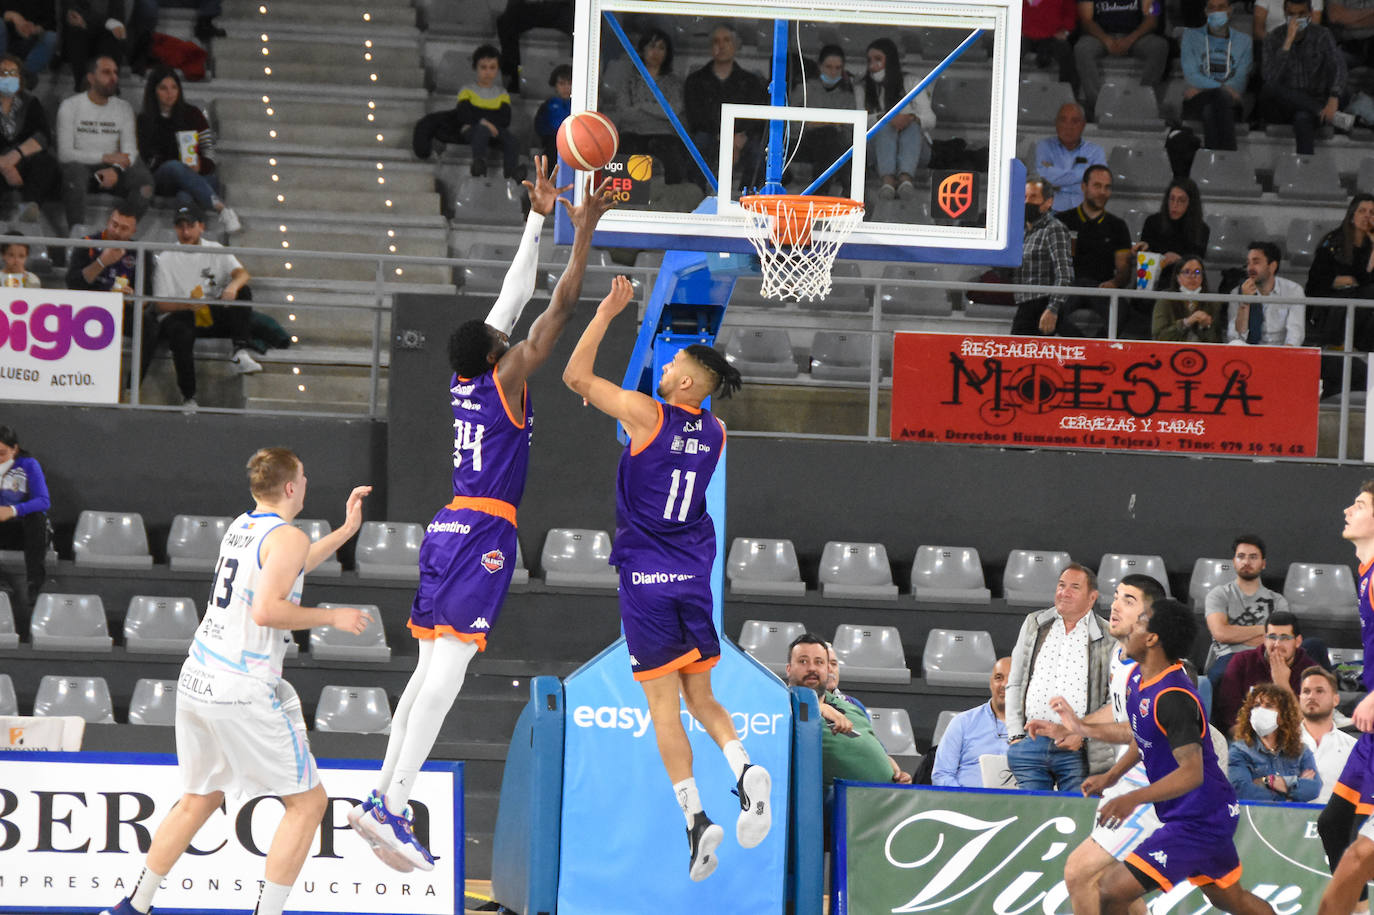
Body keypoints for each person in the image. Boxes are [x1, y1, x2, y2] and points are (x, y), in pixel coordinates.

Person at [349, 160, 614, 872]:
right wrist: (581, 229)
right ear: (500, 352)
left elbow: (511, 294)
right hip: (485, 529)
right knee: (448, 673)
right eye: (506, 338)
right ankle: (392, 805)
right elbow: (553, 305)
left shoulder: (466, 376)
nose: (511, 334)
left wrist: (538, 217)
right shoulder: (503, 375)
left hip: (446, 527)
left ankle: (380, 797)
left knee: (423, 672)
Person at [98, 447, 374, 915]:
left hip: (198, 677)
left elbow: (292, 566)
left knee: (197, 800)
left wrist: (345, 532)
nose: (307, 482)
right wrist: (333, 617)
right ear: (291, 487)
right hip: (239, 686)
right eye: (303, 476)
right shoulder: (284, 536)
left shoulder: (243, 526)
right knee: (308, 804)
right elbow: (268, 609)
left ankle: (132, 907)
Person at [562, 277, 771, 884]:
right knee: (702, 697)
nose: (666, 362)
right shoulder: (716, 432)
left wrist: (604, 315)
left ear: (683, 383)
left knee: (663, 708)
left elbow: (576, 377)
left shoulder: (647, 413)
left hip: (647, 579)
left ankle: (696, 815)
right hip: (692, 577)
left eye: (673, 360)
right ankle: (741, 764)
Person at [1087, 599, 1277, 915]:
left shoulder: (1173, 697)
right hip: (1199, 811)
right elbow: (1144, 735)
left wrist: (1132, 797)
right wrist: (1112, 776)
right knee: (1231, 899)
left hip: (1200, 820)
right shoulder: (1138, 677)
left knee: (1112, 890)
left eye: (1141, 621)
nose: (1132, 625)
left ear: (1152, 639)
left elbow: (1192, 773)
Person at [1032, 574, 1164, 915]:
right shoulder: (1122, 655)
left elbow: (1141, 733)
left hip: (1156, 786)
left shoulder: (1154, 668)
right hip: (1128, 778)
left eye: (1129, 600)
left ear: (1151, 619)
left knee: (1080, 872)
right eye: (1116, 596)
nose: (1115, 605)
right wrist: (1072, 727)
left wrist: (1083, 728)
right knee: (1114, 889)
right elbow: (1119, 712)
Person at [1005, 562, 1115, 793]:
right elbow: (1015, 681)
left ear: (1092, 597)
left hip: (1077, 749)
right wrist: (1016, 735)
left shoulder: (1108, 637)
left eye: (1074, 587)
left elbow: (1112, 700)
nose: (1064, 592)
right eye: (1061, 585)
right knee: (1030, 818)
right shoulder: (1034, 624)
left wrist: (1083, 736)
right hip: (1031, 742)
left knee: (1076, 819)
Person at [1315, 482, 1374, 915]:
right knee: (1334, 825)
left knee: (1357, 856)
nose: (1346, 510)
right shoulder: (1366, 571)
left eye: (1359, 505)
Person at [146, 205, 259, 409]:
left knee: (243, 292)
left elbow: (242, 274)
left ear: (201, 227)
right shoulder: (166, 258)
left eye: (190, 226)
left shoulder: (215, 249)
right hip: (182, 313)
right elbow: (161, 305)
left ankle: (240, 351)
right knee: (179, 332)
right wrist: (188, 304)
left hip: (211, 309)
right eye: (181, 227)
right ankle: (189, 397)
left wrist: (232, 287)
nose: (186, 232)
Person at [785, 633, 908, 788]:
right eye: (803, 661)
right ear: (789, 669)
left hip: (886, 797)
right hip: (836, 801)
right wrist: (817, 708)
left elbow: (875, 751)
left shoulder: (852, 707)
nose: (811, 668)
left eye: (819, 662)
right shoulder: (783, 705)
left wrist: (892, 771)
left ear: (827, 669)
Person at [136, 66, 240, 234]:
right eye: (163, 88)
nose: (170, 93)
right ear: (153, 91)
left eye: (174, 87)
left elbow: (209, 153)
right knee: (175, 167)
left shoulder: (193, 114)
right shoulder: (144, 120)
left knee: (186, 195)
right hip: (163, 178)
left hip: (197, 176)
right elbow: (145, 161)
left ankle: (186, 236)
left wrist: (201, 165)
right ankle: (221, 208)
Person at [56, 55, 152, 229]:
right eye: (106, 72)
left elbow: (130, 151)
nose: (113, 77)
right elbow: (64, 153)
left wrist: (115, 169)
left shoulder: (124, 107)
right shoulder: (70, 106)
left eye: (115, 72)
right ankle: (77, 233)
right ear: (91, 78)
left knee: (145, 182)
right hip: (81, 166)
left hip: (115, 166)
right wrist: (105, 157)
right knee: (74, 172)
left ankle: (120, 229)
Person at [413, 44, 523, 180]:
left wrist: (486, 122)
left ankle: (512, 173)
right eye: (483, 67)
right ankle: (479, 162)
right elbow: (464, 113)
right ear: (475, 68)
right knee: (481, 131)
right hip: (472, 129)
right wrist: (484, 122)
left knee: (512, 140)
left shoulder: (502, 93)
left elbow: (505, 118)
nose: (488, 72)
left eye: (492, 67)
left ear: (497, 69)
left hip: (495, 130)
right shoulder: (467, 90)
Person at [682, 25, 767, 191]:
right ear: (710, 47)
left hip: (742, 138)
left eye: (726, 40)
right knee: (697, 145)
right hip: (710, 135)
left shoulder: (751, 81)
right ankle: (695, 197)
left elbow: (758, 116)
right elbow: (695, 117)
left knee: (758, 152)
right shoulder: (695, 80)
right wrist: (724, 137)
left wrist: (741, 137)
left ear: (735, 45)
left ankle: (747, 198)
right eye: (716, 41)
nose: (721, 46)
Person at [600, 29, 688, 186]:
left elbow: (673, 111)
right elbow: (624, 112)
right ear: (643, 50)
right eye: (652, 46)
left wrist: (641, 106)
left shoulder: (674, 83)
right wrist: (659, 110)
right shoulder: (629, 81)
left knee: (674, 154)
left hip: (664, 135)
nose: (656, 52)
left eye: (661, 48)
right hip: (632, 133)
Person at [1259, 0, 1346, 155]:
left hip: (1313, 99)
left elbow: (1338, 65)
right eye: (1291, 14)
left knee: (1303, 118)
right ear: (1284, 14)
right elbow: (1269, 77)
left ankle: (1305, 171)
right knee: (1270, 87)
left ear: (1310, 14)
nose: (1296, 19)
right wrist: (1287, 43)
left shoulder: (1322, 35)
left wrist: (1334, 97)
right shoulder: (1273, 38)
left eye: (1301, 14)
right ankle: (1320, 112)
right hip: (1281, 107)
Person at [1058, 164, 1133, 336]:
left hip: (1101, 287)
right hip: (1068, 286)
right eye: (1097, 186)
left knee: (1122, 310)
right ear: (1084, 187)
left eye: (1107, 187)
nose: (1102, 192)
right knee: (1046, 306)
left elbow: (1124, 270)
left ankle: (1097, 349)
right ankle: (1080, 347)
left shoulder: (1118, 226)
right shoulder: (1062, 221)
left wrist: (1115, 283)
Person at [1214, 612, 1318, 731]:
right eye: (1272, 637)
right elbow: (1229, 717)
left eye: (1285, 638)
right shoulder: (1242, 662)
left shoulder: (1311, 671)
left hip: (1293, 740)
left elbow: (1310, 724)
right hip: (1248, 738)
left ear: (1298, 641)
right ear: (1264, 639)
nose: (1277, 644)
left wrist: (1282, 684)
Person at [1204, 534, 1289, 681]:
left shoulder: (1278, 601)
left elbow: (1281, 639)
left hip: (1265, 657)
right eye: (1241, 556)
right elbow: (1221, 633)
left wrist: (1235, 633)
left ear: (1263, 563)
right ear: (1234, 562)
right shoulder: (1218, 594)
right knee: (1220, 676)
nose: (1246, 562)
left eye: (1253, 557)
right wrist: (1266, 630)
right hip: (1228, 657)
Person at [860, 37, 934, 201]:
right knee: (885, 125)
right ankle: (888, 181)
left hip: (917, 150)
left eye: (878, 59)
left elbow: (930, 119)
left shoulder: (911, 82)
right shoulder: (863, 86)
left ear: (890, 59)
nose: (873, 64)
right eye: (869, 60)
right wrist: (884, 118)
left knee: (913, 126)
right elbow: (858, 122)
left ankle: (905, 179)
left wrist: (911, 118)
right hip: (875, 151)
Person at [1073, 0, 1169, 121]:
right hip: (1100, 36)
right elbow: (1086, 20)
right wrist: (1106, 40)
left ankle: (1143, 102)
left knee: (1159, 46)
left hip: (1136, 36)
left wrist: (1130, 39)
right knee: (1082, 49)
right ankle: (1099, 106)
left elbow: (1152, 19)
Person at [1228, 682, 1320, 802]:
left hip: (1291, 819)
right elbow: (1243, 791)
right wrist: (1290, 790)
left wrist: (1265, 781)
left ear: (1283, 716)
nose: (1260, 710)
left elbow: (1313, 788)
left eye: (1269, 705)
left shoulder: (1301, 751)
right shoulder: (1239, 751)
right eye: (1256, 705)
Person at [1180, 0, 1252, 150]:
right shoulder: (1190, 37)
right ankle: (1229, 158)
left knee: (1210, 111)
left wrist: (1205, 87)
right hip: (1197, 101)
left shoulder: (1244, 41)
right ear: (1206, 12)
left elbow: (1238, 83)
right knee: (1219, 98)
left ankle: (1212, 164)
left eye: (1221, 7)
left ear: (1230, 10)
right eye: (1212, 8)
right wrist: (1220, 87)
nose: (1216, 12)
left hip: (1229, 104)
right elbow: (1192, 76)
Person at [787, 44, 857, 196]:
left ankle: (822, 191)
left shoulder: (847, 96)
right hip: (802, 144)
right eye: (829, 67)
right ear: (820, 67)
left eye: (838, 68)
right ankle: (845, 190)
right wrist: (814, 125)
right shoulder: (804, 90)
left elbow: (850, 132)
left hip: (833, 146)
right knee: (827, 134)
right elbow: (789, 125)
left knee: (830, 138)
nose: (833, 72)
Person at [0, 54, 60, 227]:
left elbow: (43, 135)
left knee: (45, 163)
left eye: (13, 73)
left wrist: (14, 157)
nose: (8, 77)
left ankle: (28, 219)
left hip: (23, 161)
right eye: (3, 73)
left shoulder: (30, 103)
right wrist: (4, 166)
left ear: (19, 78)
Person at [933, 657, 1012, 787]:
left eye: (1011, 679)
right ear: (991, 683)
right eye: (999, 678)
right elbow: (942, 775)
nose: (1004, 684)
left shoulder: (1035, 727)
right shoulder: (962, 723)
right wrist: (964, 799)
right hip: (965, 804)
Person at [1308, 194, 1374, 348]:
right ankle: (1338, 344)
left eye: (1372, 212)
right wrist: (1338, 282)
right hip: (1332, 305)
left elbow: (1365, 278)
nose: (1367, 216)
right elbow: (1316, 282)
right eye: (1362, 211)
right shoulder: (1332, 243)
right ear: (1352, 216)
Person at [1011, 177, 1075, 336]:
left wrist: (1052, 309)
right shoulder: (1022, 230)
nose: (1027, 202)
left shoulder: (1054, 229)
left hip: (1042, 303)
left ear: (1048, 202)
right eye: (1024, 197)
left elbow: (1065, 274)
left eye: (1033, 197)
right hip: (1024, 301)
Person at [0, 424, 49, 626]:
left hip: (23, 529)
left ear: (15, 449)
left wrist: (12, 510)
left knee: (37, 517)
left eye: (2, 453)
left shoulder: (29, 465)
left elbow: (44, 501)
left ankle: (34, 584)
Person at [1226, 241, 1305, 345]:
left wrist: (1282, 356)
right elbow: (1235, 337)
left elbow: (1295, 335)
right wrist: (1244, 302)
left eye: (1256, 262)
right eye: (1248, 263)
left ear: (1272, 266)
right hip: (1250, 352)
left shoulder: (1293, 291)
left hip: (1281, 352)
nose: (1250, 268)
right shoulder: (1237, 292)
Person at [1300, 665, 1357, 804]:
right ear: (1299, 698)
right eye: (1306, 691)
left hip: (1337, 823)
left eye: (1319, 691)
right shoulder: (1279, 745)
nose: (1311, 696)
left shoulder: (1354, 749)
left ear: (1335, 700)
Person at [1034, 102, 1105, 213]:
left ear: (1083, 124)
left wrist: (1058, 183)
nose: (1068, 126)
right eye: (1063, 120)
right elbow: (1043, 178)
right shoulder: (1044, 147)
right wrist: (1083, 173)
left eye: (1075, 121)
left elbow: (1098, 186)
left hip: (1084, 211)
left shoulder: (1096, 151)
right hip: (1050, 211)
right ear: (1056, 123)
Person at [65, 203, 138, 305]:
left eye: (124, 228)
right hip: (88, 305)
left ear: (133, 231)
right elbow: (72, 284)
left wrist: (133, 298)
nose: (117, 232)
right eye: (114, 225)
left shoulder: (140, 252)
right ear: (108, 222)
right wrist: (101, 262)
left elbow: (148, 299)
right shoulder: (87, 243)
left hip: (123, 310)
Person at [495, 0, 573, 93]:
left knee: (581, 23)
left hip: (561, 7)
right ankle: (513, 76)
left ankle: (576, 77)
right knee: (506, 21)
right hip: (531, 7)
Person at [1138, 179, 1211, 272]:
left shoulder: (1201, 230)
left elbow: (1197, 268)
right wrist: (1143, 249)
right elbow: (1144, 261)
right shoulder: (1152, 222)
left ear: (1191, 204)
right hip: (1153, 278)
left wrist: (1180, 260)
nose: (1175, 205)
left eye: (1181, 200)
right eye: (1172, 199)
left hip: (1183, 279)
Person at [1152, 256, 1225, 342]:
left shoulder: (1213, 302)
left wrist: (1205, 326)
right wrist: (1186, 322)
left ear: (1202, 277)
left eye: (1197, 272)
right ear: (1178, 277)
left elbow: (1217, 341)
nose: (1192, 276)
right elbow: (1159, 337)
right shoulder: (1165, 299)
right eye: (1187, 272)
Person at [1022, 0, 1080, 90]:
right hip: (1023, 35)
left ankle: (1067, 97)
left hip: (1052, 36)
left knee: (1065, 51)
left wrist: (1065, 31)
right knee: (1008, 51)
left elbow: (1070, 14)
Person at [0, 2, 57, 79]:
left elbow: (51, 22)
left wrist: (36, 29)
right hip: (5, 40)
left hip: (31, 39)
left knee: (51, 38)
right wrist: (12, 16)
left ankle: (23, 79)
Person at [533, 63, 571, 164]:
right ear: (555, 86)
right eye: (562, 83)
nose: (566, 87)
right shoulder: (549, 105)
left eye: (569, 83)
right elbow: (543, 126)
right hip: (552, 140)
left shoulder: (579, 105)